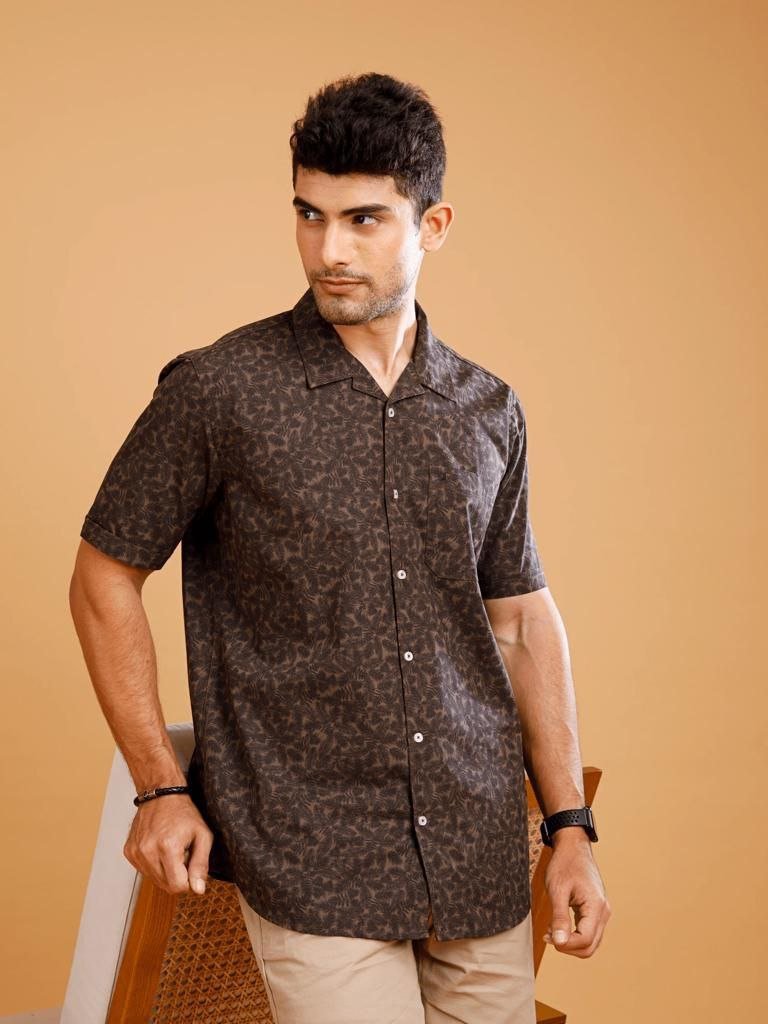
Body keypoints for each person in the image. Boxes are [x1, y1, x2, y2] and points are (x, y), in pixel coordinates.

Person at [69, 70, 610, 1024]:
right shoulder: (222, 390)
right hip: (309, 847)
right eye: (309, 216)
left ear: (433, 225)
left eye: (364, 220)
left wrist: (570, 827)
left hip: (476, 848)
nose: (330, 250)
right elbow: (102, 576)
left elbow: (522, 619)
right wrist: (159, 786)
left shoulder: (487, 409)